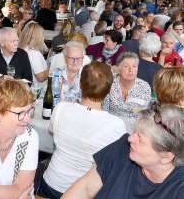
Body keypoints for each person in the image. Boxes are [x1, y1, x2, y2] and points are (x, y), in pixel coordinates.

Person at [37, 62, 126, 199]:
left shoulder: (60, 108)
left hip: (51, 185)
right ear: (109, 89)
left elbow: (52, 130)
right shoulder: (117, 125)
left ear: (80, 84)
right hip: (84, 194)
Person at [62, 104, 184, 199]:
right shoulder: (123, 148)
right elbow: (86, 187)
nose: (130, 139)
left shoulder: (179, 188)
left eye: (140, 140)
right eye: (134, 132)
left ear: (166, 156)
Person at [102, 52, 151, 132]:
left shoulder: (144, 87)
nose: (131, 70)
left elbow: (142, 115)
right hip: (111, 125)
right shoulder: (110, 83)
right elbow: (104, 111)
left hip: (134, 128)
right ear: (119, 69)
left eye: (134, 66)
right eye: (126, 66)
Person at [19, 23, 48, 91]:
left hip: (24, 89)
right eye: (42, 35)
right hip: (36, 91)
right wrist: (52, 68)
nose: (43, 37)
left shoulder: (21, 48)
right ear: (37, 37)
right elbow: (41, 77)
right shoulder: (34, 53)